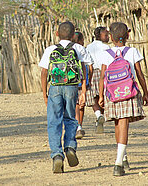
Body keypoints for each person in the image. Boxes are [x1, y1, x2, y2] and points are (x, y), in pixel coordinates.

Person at [39, 21, 92, 173]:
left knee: (54, 121)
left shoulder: (50, 49)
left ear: (57, 34)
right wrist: (84, 90)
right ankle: (70, 147)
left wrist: (44, 93)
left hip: (55, 87)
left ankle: (56, 155)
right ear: (73, 35)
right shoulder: (79, 48)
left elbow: (44, 72)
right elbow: (87, 67)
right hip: (72, 87)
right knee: (70, 118)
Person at [98, 22, 148, 176]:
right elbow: (139, 74)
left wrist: (101, 95)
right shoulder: (133, 51)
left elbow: (102, 77)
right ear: (128, 35)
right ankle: (118, 163)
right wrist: (145, 92)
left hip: (112, 94)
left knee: (118, 123)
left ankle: (123, 156)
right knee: (124, 124)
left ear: (110, 37)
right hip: (129, 93)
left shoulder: (106, 54)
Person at [86, 27, 110, 133]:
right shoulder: (106, 47)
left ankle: (98, 115)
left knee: (94, 97)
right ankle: (101, 118)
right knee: (103, 97)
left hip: (92, 73)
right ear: (99, 35)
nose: (108, 36)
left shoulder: (88, 47)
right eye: (106, 34)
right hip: (104, 72)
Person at [72, 31, 94, 139]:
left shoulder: (68, 48)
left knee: (75, 104)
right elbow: (90, 66)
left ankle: (77, 127)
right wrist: (88, 79)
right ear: (80, 40)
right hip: (82, 81)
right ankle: (79, 126)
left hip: (71, 81)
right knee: (81, 105)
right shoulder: (82, 49)